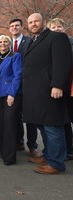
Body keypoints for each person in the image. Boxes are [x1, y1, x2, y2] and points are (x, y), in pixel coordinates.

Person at [23, 13, 72, 174]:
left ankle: (56, 163)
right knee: (43, 126)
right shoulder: (33, 41)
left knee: (52, 127)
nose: (33, 24)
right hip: (36, 93)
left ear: (43, 22)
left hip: (50, 91)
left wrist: (57, 85)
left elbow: (62, 63)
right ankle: (49, 156)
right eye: (30, 22)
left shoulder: (57, 38)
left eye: (36, 21)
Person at [8, 18, 39, 157]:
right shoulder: (6, 44)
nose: (14, 28)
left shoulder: (29, 41)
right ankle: (18, 141)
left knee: (30, 117)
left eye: (17, 25)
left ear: (21, 27)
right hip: (14, 87)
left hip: (28, 84)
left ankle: (32, 146)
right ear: (9, 29)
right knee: (15, 116)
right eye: (12, 26)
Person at [47, 17, 73, 160]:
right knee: (64, 121)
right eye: (54, 27)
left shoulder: (70, 42)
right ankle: (68, 150)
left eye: (59, 27)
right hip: (60, 88)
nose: (57, 29)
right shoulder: (51, 45)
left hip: (68, 87)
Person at [0, 35, 22, 165]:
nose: (3, 44)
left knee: (10, 125)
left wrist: (12, 94)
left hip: (10, 95)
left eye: (5, 41)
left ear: (9, 43)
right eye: (0, 42)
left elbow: (18, 76)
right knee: (1, 125)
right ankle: (3, 152)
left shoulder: (15, 56)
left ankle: (10, 157)